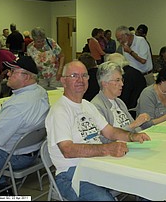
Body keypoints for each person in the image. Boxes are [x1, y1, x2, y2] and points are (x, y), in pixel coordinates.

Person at [45, 60, 151, 201]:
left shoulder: (87, 106)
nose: (80, 80)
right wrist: (107, 149)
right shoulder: (60, 111)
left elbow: (110, 131)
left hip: (97, 165)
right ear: (63, 81)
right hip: (71, 174)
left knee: (146, 181)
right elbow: (68, 150)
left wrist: (132, 136)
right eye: (74, 76)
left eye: (84, 76)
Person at [0, 56, 50, 195]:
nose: (8, 73)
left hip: (13, 157)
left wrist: (8, 110)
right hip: (32, 151)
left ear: (26, 77)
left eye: (12, 71)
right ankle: (1, 191)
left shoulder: (17, 106)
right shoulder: (40, 92)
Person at [91, 61, 150, 143]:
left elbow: (135, 128)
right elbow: (106, 138)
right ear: (105, 84)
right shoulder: (96, 106)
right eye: (117, 80)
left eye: (122, 80)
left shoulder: (119, 102)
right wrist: (135, 124)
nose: (122, 84)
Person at [106, 53, 147, 118]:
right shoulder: (137, 72)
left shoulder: (122, 77)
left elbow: (123, 98)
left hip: (129, 111)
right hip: (141, 108)